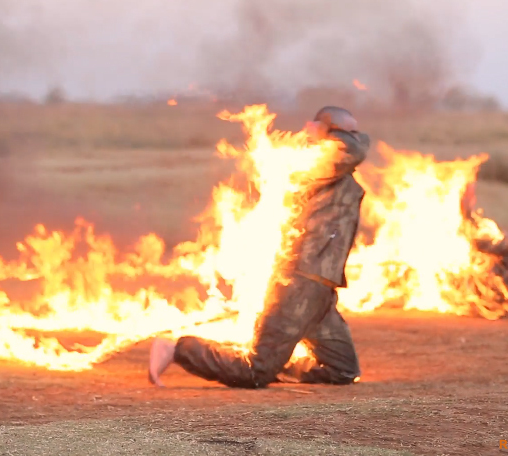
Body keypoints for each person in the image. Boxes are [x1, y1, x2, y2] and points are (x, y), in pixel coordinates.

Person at [148, 106, 370, 388]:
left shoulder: (332, 166)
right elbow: (355, 150)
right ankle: (177, 348)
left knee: (342, 370)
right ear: (321, 133)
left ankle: (277, 360)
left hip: (318, 285)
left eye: (354, 132)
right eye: (345, 132)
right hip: (300, 280)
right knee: (255, 371)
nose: (354, 138)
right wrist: (328, 134)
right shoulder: (318, 163)